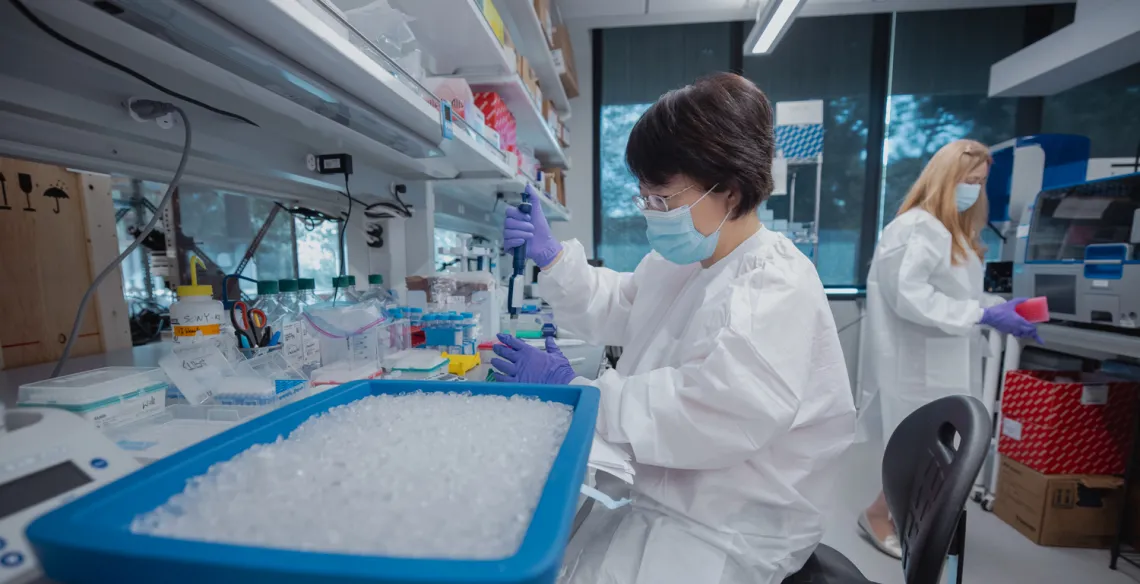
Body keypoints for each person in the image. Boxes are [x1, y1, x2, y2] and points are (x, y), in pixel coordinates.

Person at [495, 73, 856, 584]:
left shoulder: (774, 286)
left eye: (662, 199)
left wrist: (579, 390)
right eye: (644, 196)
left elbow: (711, 413)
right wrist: (554, 261)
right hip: (670, 488)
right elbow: (623, 303)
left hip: (729, 520)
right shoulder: (688, 262)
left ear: (728, 191)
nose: (650, 212)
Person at [856, 139, 1042, 558]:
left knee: (939, 455)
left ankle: (902, 520)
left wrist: (1001, 308)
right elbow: (911, 297)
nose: (975, 189)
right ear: (945, 179)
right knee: (920, 452)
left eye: (980, 182)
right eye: (968, 181)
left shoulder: (950, 232)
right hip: (917, 364)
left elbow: (959, 294)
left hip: (944, 360)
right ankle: (878, 515)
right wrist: (982, 316)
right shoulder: (917, 227)